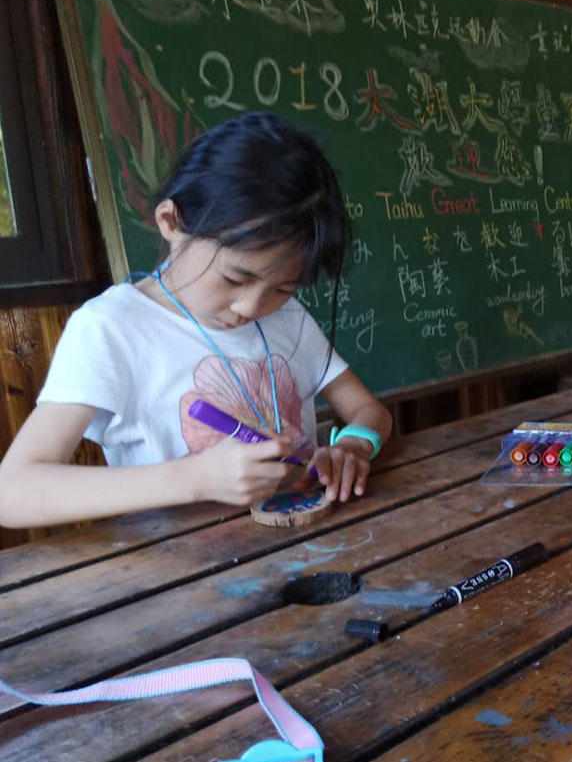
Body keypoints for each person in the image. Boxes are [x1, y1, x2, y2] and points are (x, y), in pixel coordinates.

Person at [0, 112, 392, 529]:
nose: (250, 307)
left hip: (309, 545)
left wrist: (354, 445)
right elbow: (13, 492)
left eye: (284, 287)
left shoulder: (288, 317)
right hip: (183, 564)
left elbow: (369, 411)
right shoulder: (111, 329)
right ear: (171, 223)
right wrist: (193, 479)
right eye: (235, 278)